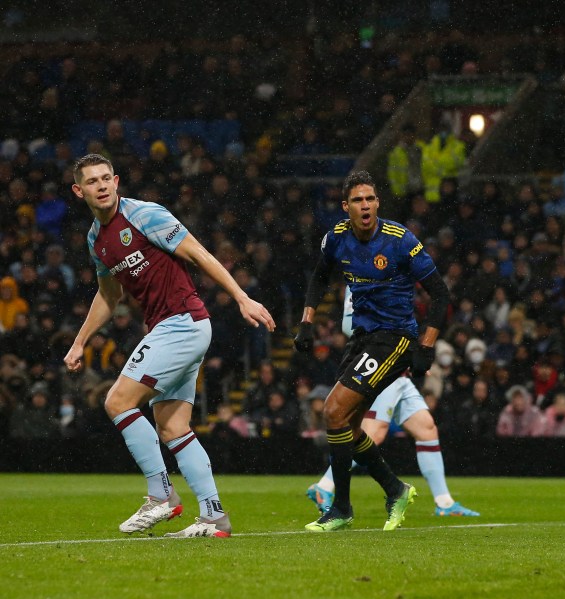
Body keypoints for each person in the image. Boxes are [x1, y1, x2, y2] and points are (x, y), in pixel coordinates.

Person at [63, 153, 276, 538]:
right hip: (170, 327)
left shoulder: (145, 215)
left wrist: (242, 297)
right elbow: (109, 295)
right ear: (80, 191)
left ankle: (161, 495)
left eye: (107, 177)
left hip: (183, 322)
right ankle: (214, 516)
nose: (102, 185)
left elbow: (198, 252)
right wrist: (80, 342)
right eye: (93, 181)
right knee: (173, 426)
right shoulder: (97, 239)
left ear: (117, 180)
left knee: (117, 402)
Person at [293, 170, 450, 532]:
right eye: (358, 200)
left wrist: (426, 346)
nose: (366, 206)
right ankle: (395, 489)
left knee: (332, 410)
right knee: (346, 424)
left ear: (377, 202)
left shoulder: (400, 240)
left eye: (371, 199)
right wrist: (306, 321)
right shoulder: (335, 239)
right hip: (363, 337)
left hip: (395, 338)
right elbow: (319, 277)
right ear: (345, 206)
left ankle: (342, 508)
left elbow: (440, 294)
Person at [304, 286, 479, 517]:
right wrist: (390, 348)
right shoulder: (359, 273)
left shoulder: (392, 270)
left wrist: (408, 351)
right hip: (380, 364)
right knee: (372, 433)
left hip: (397, 365)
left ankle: (444, 503)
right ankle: (325, 486)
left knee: (426, 429)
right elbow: (349, 324)